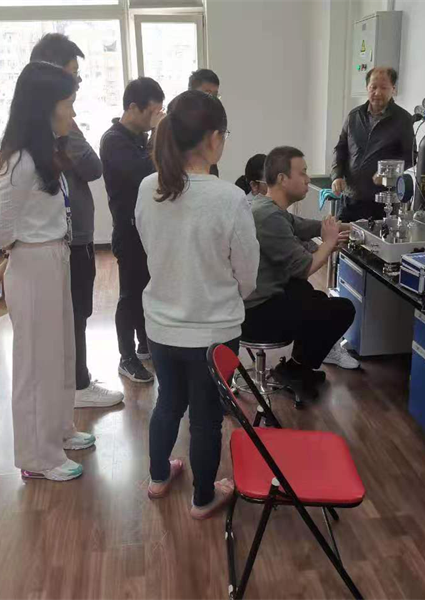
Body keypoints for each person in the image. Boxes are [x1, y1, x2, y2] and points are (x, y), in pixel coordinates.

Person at [136, 90, 260, 519]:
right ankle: (203, 498)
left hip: (161, 324)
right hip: (214, 332)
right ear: (213, 138)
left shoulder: (149, 187)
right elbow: (247, 272)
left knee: (168, 403)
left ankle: (158, 477)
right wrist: (230, 295)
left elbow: (150, 246)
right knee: (206, 418)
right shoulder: (229, 198)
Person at [0, 62, 95, 482]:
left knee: (60, 353)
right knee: (35, 364)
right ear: (46, 105)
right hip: (33, 265)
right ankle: (37, 456)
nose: (73, 111)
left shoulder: (46, 151)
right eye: (68, 102)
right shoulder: (20, 161)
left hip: (52, 257)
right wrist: (14, 253)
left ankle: (59, 430)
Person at [30, 33, 124, 409]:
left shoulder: (50, 123)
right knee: (74, 313)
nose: (79, 82)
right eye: (73, 73)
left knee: (75, 312)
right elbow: (93, 166)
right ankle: (77, 386)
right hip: (68, 238)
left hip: (72, 235)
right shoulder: (53, 126)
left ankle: (75, 379)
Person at [243, 146, 360, 387]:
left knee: (309, 294)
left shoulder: (267, 207)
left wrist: (355, 227)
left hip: (256, 302)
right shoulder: (268, 216)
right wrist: (328, 244)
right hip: (257, 315)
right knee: (341, 309)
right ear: (282, 179)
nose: (308, 179)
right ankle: (296, 370)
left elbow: (307, 226)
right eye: (303, 173)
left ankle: (297, 366)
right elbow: (305, 268)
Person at [100, 77, 165, 384]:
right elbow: (144, 172)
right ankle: (126, 357)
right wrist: (158, 135)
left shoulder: (139, 138)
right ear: (133, 108)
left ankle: (144, 345)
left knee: (147, 290)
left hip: (148, 228)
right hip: (128, 231)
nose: (155, 119)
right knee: (130, 295)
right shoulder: (113, 139)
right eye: (152, 112)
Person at [331, 67, 414, 222]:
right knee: (340, 233)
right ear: (367, 88)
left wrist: (388, 172)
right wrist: (337, 176)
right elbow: (341, 148)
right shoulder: (354, 116)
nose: (377, 92)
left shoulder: (403, 120)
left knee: (376, 237)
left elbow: (411, 156)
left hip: (382, 202)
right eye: (373, 87)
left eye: (384, 88)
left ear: (393, 89)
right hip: (351, 197)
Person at [188, 69, 221, 177]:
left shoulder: (214, 118)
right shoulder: (177, 118)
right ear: (191, 93)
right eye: (207, 93)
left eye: (215, 95)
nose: (212, 99)